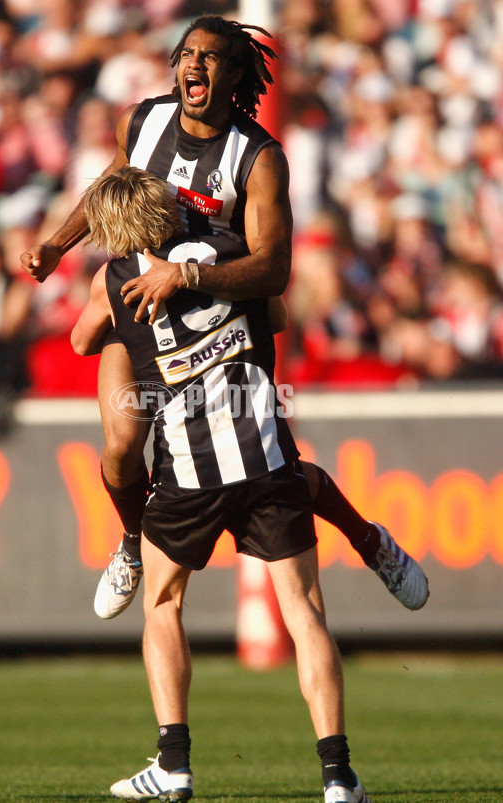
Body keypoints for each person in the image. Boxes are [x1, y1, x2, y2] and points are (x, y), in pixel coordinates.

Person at [20, 14, 427, 620]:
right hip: (140, 302)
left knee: (267, 468)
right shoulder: (144, 121)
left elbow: (272, 273)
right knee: (122, 439)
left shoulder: (256, 156)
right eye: (188, 53)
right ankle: (132, 542)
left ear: (234, 74)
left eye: (210, 57)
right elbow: (112, 182)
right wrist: (58, 245)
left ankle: (368, 539)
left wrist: (188, 277)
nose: (195, 65)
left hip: (221, 309)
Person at [83, 163, 376, 803]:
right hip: (265, 454)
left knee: (163, 604)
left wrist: (124, 333)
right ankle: (338, 776)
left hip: (189, 469)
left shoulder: (118, 278)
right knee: (305, 612)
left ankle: (174, 765)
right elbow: (273, 315)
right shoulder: (235, 254)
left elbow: (82, 339)